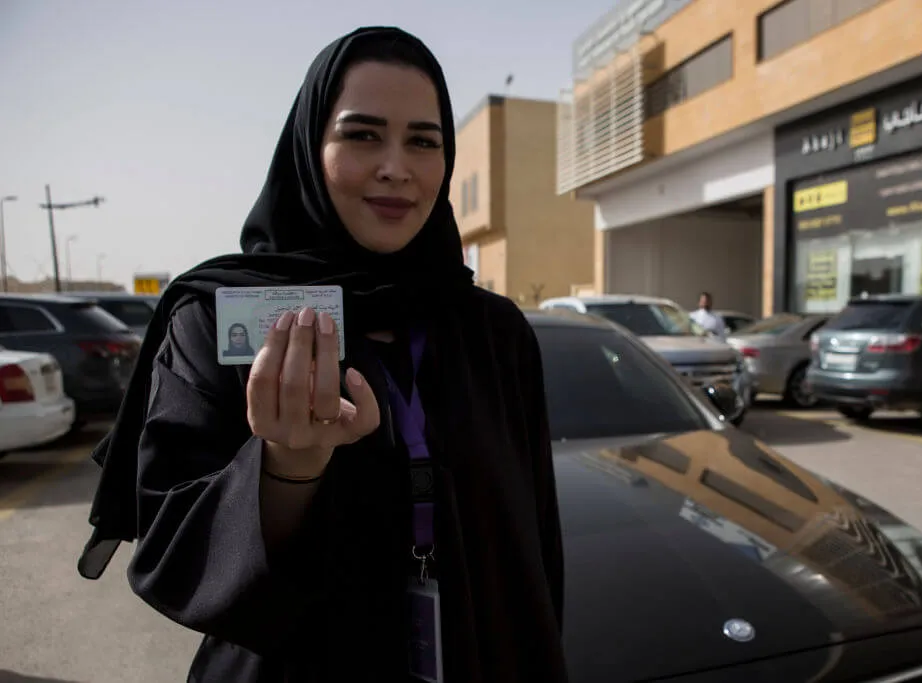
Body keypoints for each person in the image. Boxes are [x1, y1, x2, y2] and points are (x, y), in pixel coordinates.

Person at [77, 27, 567, 683]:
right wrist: (287, 467)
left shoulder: (495, 333)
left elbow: (536, 552)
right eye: (362, 135)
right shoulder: (221, 319)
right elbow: (174, 547)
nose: (396, 166)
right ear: (311, 147)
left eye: (423, 141)